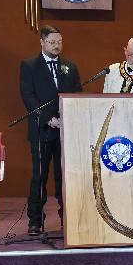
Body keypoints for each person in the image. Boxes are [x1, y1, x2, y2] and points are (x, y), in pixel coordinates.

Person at [19, 25, 82, 236]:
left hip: (66, 130)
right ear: (42, 42)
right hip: (41, 130)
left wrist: (67, 119)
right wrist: (49, 120)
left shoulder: (70, 67)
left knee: (65, 176)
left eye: (59, 42)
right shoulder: (29, 66)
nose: (57, 46)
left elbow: (77, 96)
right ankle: (35, 221)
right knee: (40, 176)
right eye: (52, 42)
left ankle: (69, 218)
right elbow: (29, 97)